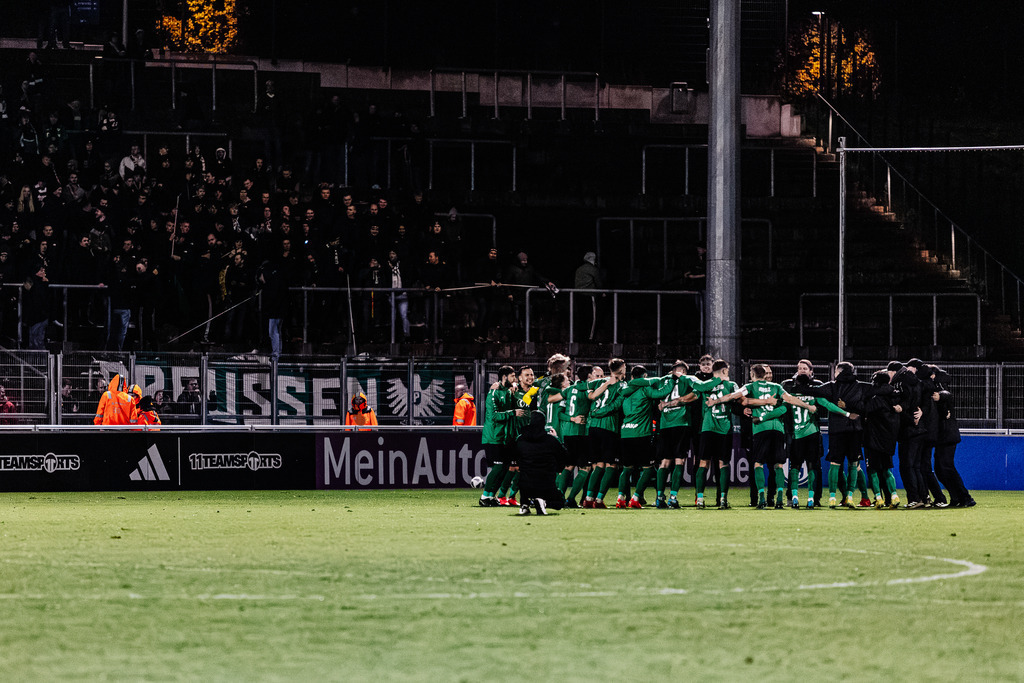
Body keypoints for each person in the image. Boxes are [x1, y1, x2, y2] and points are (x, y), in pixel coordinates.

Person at [709, 364, 818, 509]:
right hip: (778, 429)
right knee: (778, 464)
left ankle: (761, 499)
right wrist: (808, 406)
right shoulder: (777, 387)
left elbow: (733, 396)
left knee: (758, 464)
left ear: (752, 374)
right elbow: (791, 399)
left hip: (761, 428)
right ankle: (779, 500)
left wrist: (715, 401)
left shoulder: (750, 386)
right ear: (765, 374)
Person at [616, 365, 674, 508]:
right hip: (641, 433)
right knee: (649, 469)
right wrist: (671, 380)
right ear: (645, 376)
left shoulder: (624, 392)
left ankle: (620, 498)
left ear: (631, 377)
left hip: (625, 433)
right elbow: (662, 392)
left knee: (627, 469)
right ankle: (635, 498)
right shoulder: (644, 389)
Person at [930, 365, 975, 507]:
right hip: (943, 436)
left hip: (947, 435)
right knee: (941, 468)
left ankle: (965, 498)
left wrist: (940, 396)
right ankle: (956, 497)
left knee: (946, 467)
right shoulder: (937, 386)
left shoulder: (940, 387)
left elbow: (947, 394)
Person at [478, 365, 522, 507]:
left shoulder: (508, 391)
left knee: (504, 468)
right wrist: (513, 413)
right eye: (512, 376)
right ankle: (484, 496)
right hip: (493, 436)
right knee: (498, 467)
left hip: (504, 437)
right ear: (504, 377)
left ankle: (491, 496)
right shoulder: (493, 392)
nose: (515, 379)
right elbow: (494, 416)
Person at [514, 411, 568, 516]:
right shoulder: (551, 440)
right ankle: (544, 502)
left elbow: (514, 457)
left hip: (526, 485)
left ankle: (524, 504)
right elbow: (564, 455)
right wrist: (556, 437)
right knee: (560, 502)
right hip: (546, 484)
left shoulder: (520, 439)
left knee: (523, 477)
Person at [574, 251, 603, 341]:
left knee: (581, 317)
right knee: (592, 318)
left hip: (579, 295)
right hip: (590, 295)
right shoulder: (593, 269)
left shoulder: (579, 269)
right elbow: (598, 283)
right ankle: (590, 338)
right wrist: (602, 292)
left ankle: (580, 337)